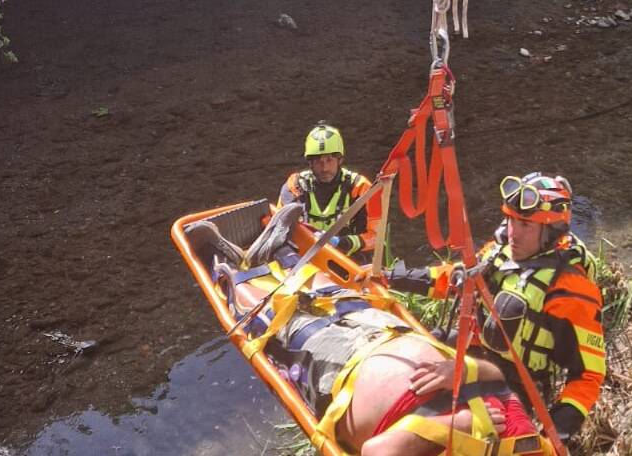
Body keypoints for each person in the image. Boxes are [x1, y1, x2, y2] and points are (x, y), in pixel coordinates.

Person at [184, 204, 555, 456]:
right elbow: (499, 380)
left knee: (289, 322)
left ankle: (228, 269)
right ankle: (281, 250)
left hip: (343, 373)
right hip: (392, 337)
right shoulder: (532, 446)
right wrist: (460, 371)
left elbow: (376, 451)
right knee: (339, 299)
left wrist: (457, 424)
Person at [386, 172, 606, 441]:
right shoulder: (499, 252)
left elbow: (588, 375)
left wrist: (553, 434)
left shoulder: (570, 289)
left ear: (550, 231)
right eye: (510, 219)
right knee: (405, 352)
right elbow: (454, 280)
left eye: (525, 224)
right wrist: (390, 277)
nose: (513, 232)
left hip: (513, 384)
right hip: (472, 349)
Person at [277, 122, 380, 263]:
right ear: (310, 163)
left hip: (348, 264)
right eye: (318, 161)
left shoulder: (360, 188)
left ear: (340, 160)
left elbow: (376, 238)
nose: (324, 168)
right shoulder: (294, 187)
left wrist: (341, 243)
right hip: (304, 263)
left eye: (329, 160)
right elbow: (279, 232)